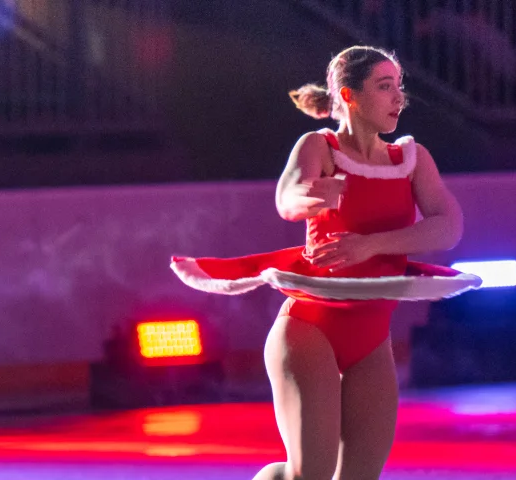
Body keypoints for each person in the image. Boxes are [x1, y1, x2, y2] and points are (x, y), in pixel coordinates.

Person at [168, 46, 476, 480]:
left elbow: (448, 227)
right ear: (349, 96)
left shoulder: (411, 159)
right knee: (309, 476)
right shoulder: (320, 147)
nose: (398, 97)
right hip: (309, 329)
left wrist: (370, 246)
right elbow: (287, 200)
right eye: (384, 87)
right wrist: (314, 195)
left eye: (399, 86)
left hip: (372, 339)